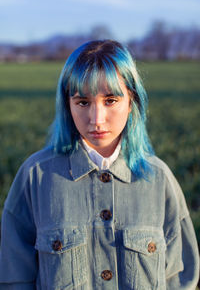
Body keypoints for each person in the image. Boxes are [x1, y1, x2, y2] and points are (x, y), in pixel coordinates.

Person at [0, 40, 199, 290]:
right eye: (83, 102)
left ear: (132, 101)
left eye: (111, 100)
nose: (96, 119)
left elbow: (181, 278)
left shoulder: (159, 179)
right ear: (67, 105)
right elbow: (14, 278)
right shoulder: (36, 177)